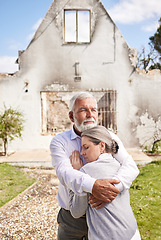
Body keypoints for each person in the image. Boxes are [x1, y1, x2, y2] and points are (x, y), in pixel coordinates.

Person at [50, 92, 139, 240]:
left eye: (93, 110)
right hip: (74, 219)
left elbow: (130, 166)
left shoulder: (107, 136)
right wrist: (93, 186)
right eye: (83, 110)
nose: (90, 114)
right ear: (72, 116)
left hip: (106, 213)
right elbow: (64, 173)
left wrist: (110, 189)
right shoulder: (60, 141)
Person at [69, 125, 141, 240]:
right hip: (132, 234)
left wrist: (77, 172)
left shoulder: (86, 171)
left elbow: (76, 211)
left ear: (102, 146)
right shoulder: (119, 166)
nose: (82, 152)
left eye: (86, 147)